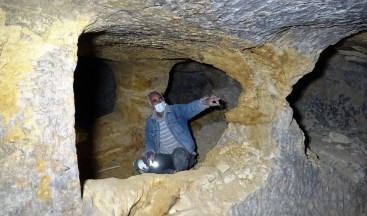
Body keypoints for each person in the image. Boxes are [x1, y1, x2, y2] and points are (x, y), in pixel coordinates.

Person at [133, 91, 221, 174]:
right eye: (155, 101)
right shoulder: (150, 122)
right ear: (151, 105)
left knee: (178, 154)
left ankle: (177, 176)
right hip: (166, 157)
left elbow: (189, 108)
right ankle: (169, 173)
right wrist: (150, 153)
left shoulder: (175, 110)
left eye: (160, 99)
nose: (159, 102)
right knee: (140, 164)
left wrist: (205, 102)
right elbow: (149, 141)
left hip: (184, 155)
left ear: (164, 99)